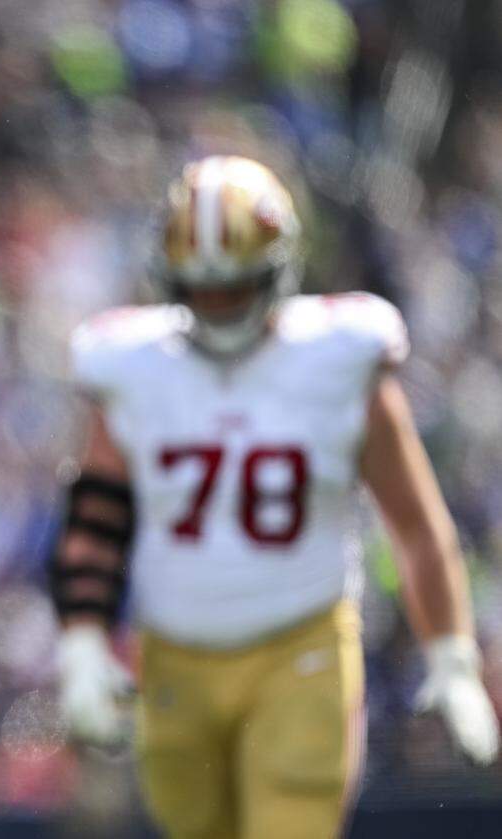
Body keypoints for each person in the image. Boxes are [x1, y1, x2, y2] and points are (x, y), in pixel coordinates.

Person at [51, 155, 499, 839]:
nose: (219, 305)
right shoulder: (134, 363)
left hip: (302, 646)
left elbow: (414, 522)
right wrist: (82, 641)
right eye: (202, 290)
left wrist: (452, 654)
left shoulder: (342, 355)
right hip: (174, 656)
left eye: (235, 287)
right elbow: (98, 514)